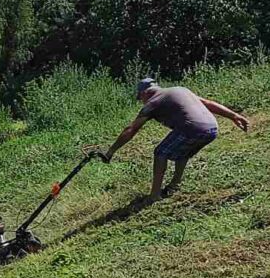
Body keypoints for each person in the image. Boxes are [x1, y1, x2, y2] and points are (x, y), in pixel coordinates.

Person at [94, 78, 249, 201]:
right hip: (212, 128)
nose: (142, 101)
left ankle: (154, 195)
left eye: (140, 98)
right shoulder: (180, 90)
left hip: (193, 128)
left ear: (145, 93)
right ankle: (175, 185)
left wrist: (111, 151)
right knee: (182, 152)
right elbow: (208, 103)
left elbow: (131, 129)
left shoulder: (153, 102)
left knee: (160, 152)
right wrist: (233, 115)